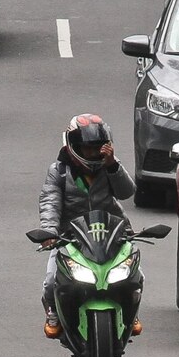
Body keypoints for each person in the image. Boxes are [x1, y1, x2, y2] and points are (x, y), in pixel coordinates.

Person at [37, 114, 138, 339]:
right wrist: (50, 232)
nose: (94, 154)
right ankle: (53, 310)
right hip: (70, 237)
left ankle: (131, 312)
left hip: (111, 232)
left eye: (98, 148)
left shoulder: (110, 167)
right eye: (88, 149)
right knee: (51, 281)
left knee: (135, 274)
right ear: (74, 147)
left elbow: (126, 192)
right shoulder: (59, 171)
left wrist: (113, 166)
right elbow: (50, 202)